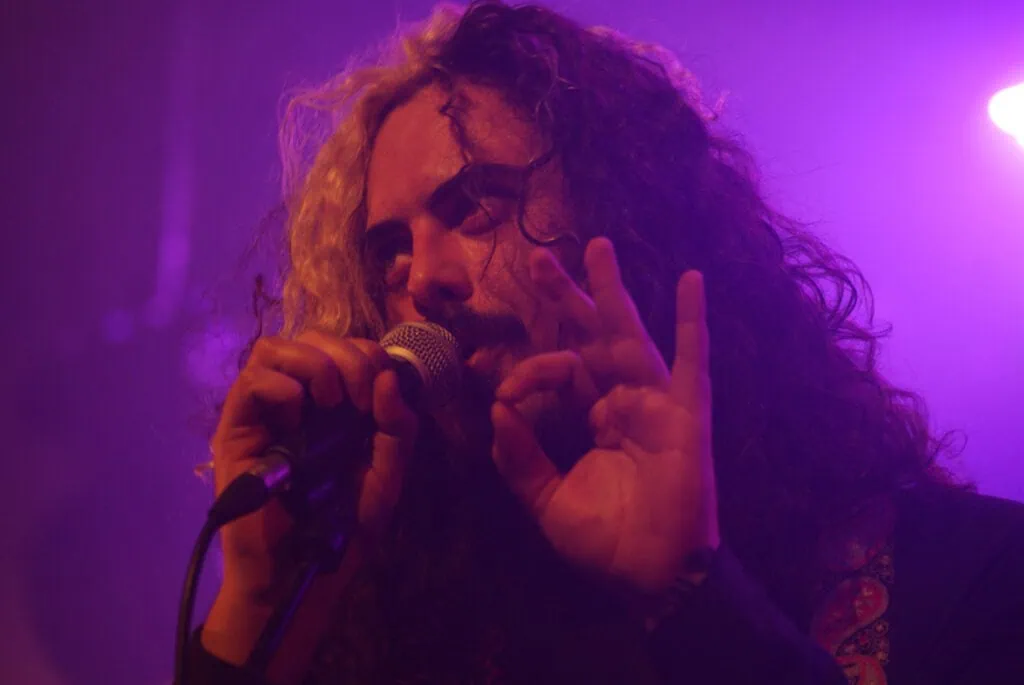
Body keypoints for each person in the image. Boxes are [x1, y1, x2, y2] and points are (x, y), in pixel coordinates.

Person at [187, 2, 1024, 683]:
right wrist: (258, 609)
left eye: (475, 204)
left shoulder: (974, 578)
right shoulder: (398, 623)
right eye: (389, 251)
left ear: (625, 215)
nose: (423, 278)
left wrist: (694, 598)